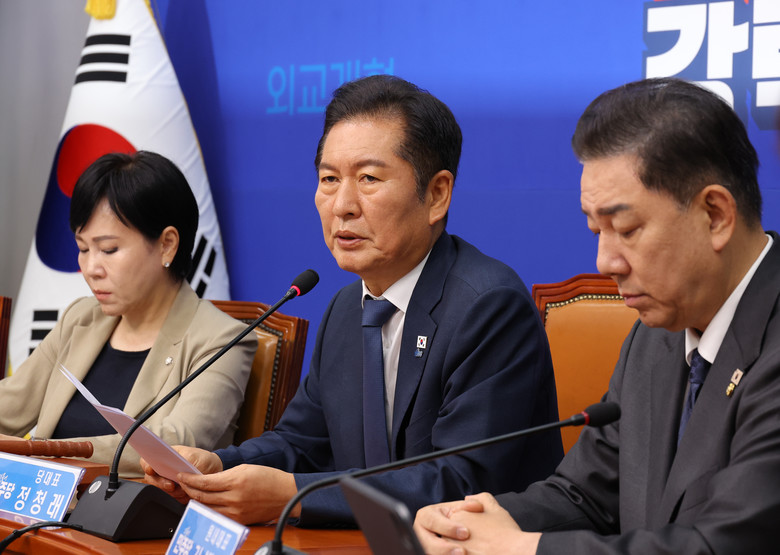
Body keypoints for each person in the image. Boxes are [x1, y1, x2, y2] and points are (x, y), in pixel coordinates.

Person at [142, 75, 562, 526]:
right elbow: (302, 443)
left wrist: (293, 496)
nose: (342, 204)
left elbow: (462, 482)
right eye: (329, 179)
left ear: (437, 194)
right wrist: (218, 466)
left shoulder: (488, 306)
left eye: (368, 178)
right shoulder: (346, 308)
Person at [414, 77, 780, 554]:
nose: (605, 262)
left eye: (626, 229)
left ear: (715, 215)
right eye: (596, 231)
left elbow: (725, 543)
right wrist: (467, 524)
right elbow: (584, 496)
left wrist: (524, 550)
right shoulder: (655, 337)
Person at [0, 151, 255, 477]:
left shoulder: (221, 340)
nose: (91, 268)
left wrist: (44, 451)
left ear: (166, 245)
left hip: (137, 508)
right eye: (83, 248)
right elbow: (10, 405)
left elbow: (177, 443)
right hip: (45, 502)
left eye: (109, 249)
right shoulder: (81, 318)